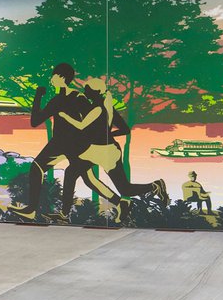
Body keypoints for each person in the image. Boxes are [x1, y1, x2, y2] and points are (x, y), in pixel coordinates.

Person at [66, 71, 166, 220]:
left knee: (125, 188)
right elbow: (125, 129)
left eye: (87, 90)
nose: (85, 93)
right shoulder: (107, 108)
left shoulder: (95, 109)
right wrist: (109, 135)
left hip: (105, 152)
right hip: (98, 151)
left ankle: (154, 186)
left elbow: (83, 127)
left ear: (95, 92)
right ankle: (121, 203)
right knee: (77, 175)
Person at [14, 64, 91, 219]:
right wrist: (38, 97)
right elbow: (35, 121)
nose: (51, 79)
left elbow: (91, 121)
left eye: (54, 76)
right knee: (36, 167)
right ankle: (33, 209)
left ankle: (62, 212)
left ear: (62, 78)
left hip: (75, 143)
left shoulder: (78, 98)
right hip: (60, 142)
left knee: (87, 179)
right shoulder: (57, 100)